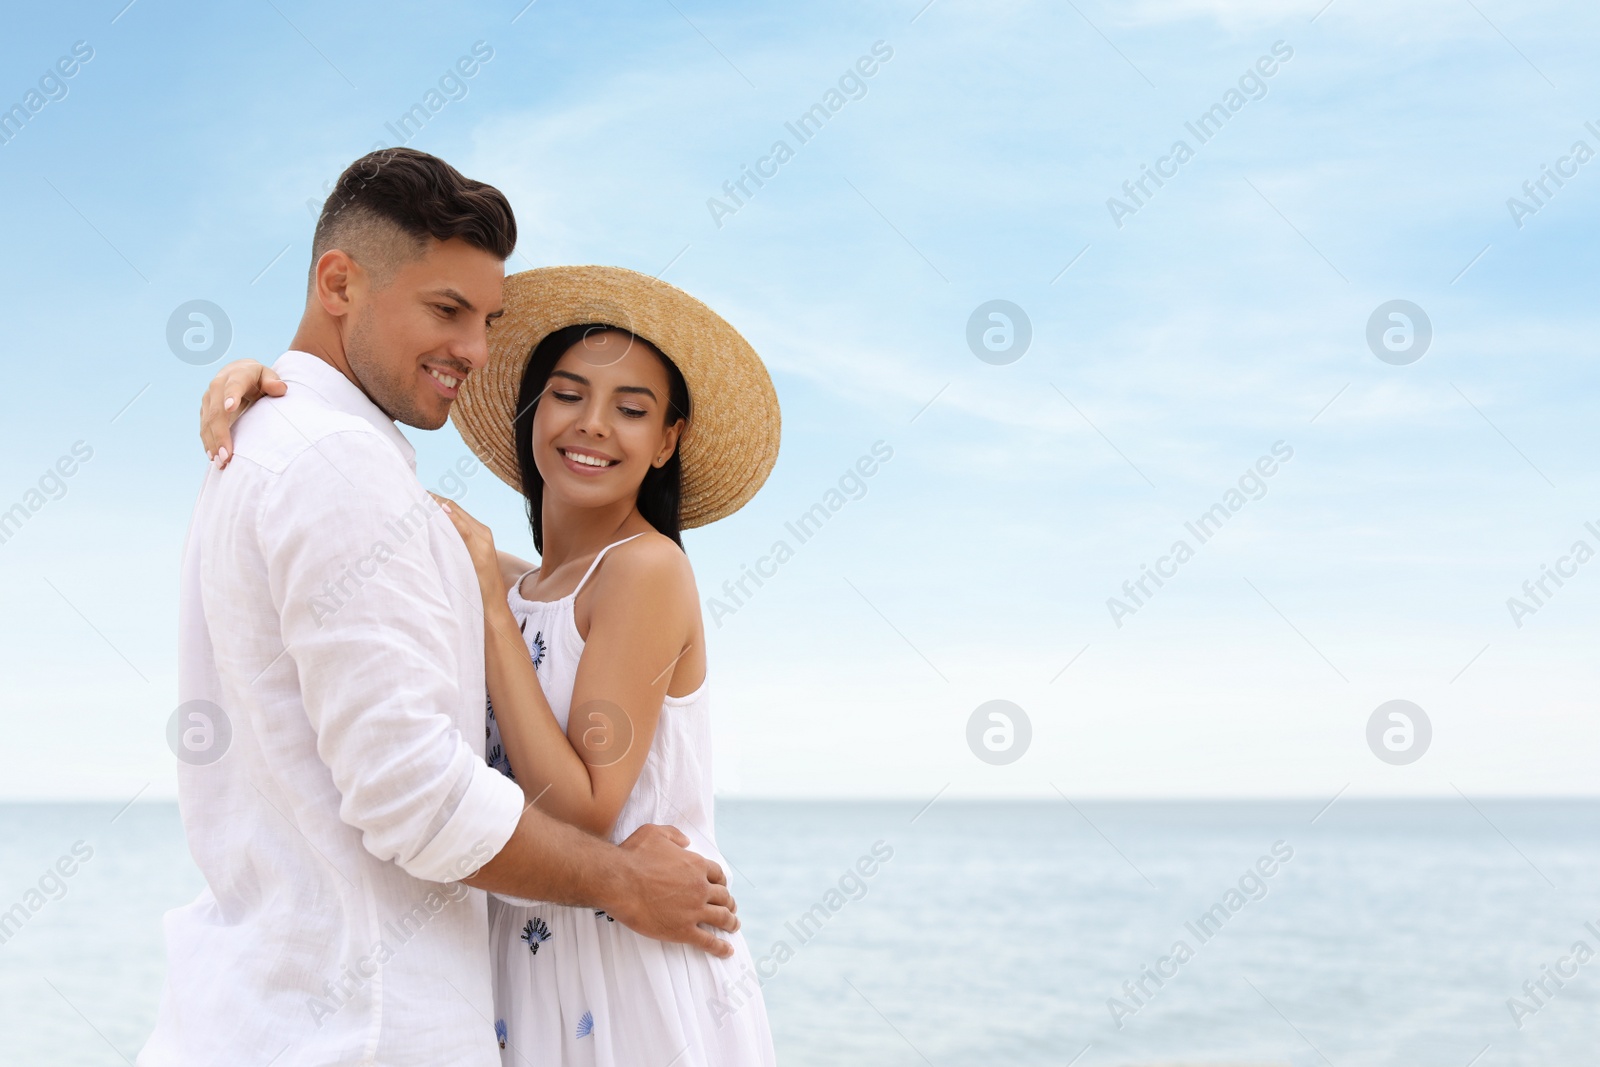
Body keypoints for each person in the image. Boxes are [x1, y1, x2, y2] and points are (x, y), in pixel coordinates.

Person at [146, 149, 738, 1067]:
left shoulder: (305, 457)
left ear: (669, 440)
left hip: (494, 993)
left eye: (486, 319)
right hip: (369, 1025)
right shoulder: (336, 465)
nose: (471, 347)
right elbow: (415, 795)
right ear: (338, 282)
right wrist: (624, 880)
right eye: (445, 309)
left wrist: (270, 384)